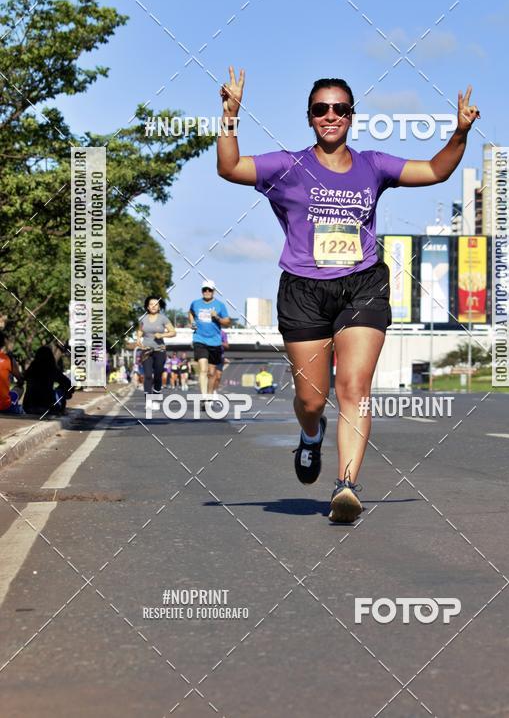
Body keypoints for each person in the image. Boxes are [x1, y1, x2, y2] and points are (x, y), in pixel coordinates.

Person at [217, 67, 480, 522]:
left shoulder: (373, 165)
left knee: (354, 389)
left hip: (363, 284)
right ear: (310, 118)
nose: (331, 115)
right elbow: (230, 167)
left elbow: (436, 170)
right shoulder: (288, 167)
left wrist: (459, 132)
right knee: (313, 400)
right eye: (322, 109)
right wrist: (229, 117)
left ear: (352, 116)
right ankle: (311, 434)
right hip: (303, 289)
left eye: (340, 108)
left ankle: (346, 486)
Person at [189, 280, 231, 397]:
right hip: (199, 339)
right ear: (202, 291)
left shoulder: (220, 305)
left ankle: (209, 394)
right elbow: (190, 312)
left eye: (209, 290)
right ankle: (204, 397)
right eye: (204, 290)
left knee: (211, 373)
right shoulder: (195, 303)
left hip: (215, 342)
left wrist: (216, 317)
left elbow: (227, 322)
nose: (207, 292)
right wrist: (192, 323)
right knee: (203, 369)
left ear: (213, 291)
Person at [135, 297, 176, 394]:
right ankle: (148, 402)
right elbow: (140, 330)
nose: (153, 306)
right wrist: (138, 339)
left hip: (160, 350)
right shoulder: (143, 318)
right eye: (151, 304)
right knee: (148, 375)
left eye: (156, 304)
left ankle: (156, 393)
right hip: (146, 350)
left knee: (158, 374)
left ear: (159, 307)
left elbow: (173, 332)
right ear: (147, 307)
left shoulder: (163, 318)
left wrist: (162, 335)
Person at [23, 345, 73, 415]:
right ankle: (61, 409)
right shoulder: (51, 368)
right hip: (46, 407)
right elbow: (68, 383)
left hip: (28, 407)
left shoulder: (32, 367)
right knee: (62, 389)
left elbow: (23, 378)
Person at [0, 332, 24, 415]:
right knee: (20, 388)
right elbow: (20, 380)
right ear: (3, 343)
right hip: (4, 406)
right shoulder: (8, 359)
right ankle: (14, 406)